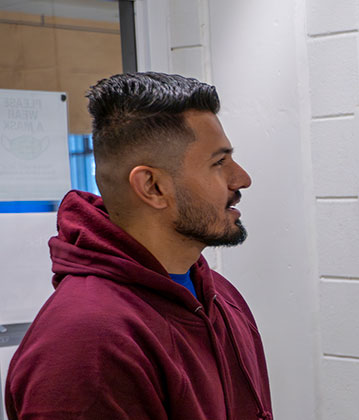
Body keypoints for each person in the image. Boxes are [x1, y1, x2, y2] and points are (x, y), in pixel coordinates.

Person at [4, 73, 271, 419]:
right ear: (153, 187)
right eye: (218, 163)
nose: (242, 179)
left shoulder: (221, 297)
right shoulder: (86, 344)